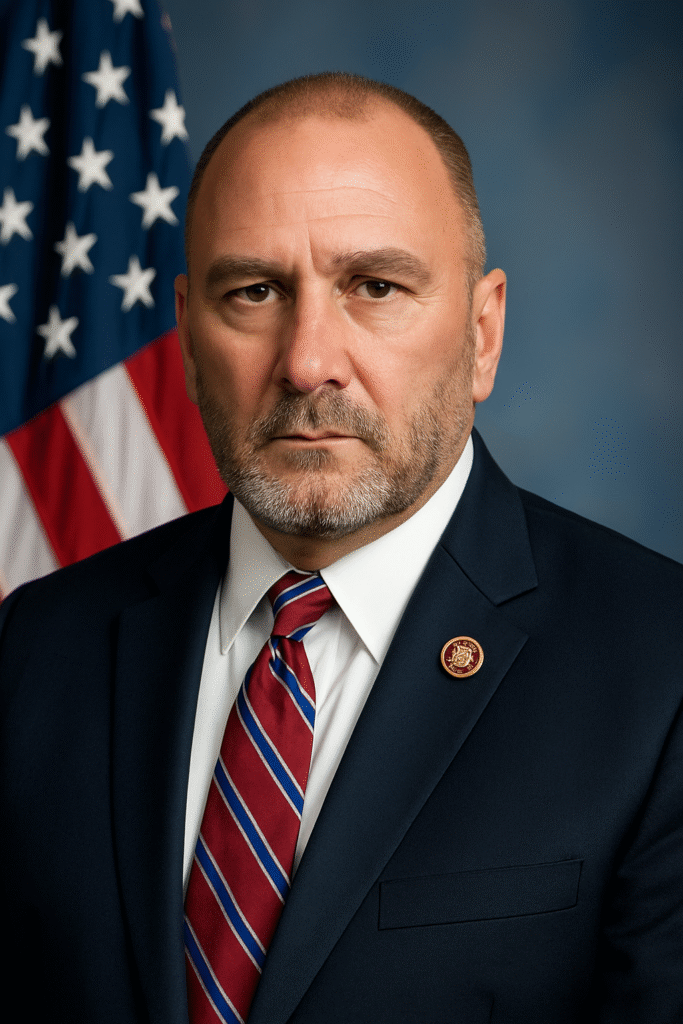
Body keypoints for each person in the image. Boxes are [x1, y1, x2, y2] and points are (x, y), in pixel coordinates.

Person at [1, 72, 682, 1024]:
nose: (308, 358)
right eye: (254, 291)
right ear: (190, 342)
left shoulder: (659, 672)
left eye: (375, 286)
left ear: (481, 335)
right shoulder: (35, 649)